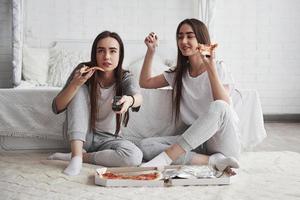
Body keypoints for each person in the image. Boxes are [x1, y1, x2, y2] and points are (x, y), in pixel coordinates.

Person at [138, 18, 241, 175]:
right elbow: (145, 82)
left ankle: (166, 158)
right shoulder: (178, 73)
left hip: (222, 139)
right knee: (146, 146)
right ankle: (214, 161)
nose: (183, 41)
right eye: (180, 37)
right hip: (196, 142)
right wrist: (151, 51)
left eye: (189, 36)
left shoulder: (219, 67)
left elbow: (223, 105)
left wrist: (210, 67)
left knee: (218, 105)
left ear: (200, 38)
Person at [48, 31, 143, 176]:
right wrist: (76, 82)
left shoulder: (125, 77)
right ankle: (76, 156)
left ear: (120, 55)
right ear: (94, 54)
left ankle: (80, 157)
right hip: (81, 136)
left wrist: (129, 100)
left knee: (134, 156)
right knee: (78, 89)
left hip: (110, 139)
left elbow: (138, 98)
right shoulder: (83, 70)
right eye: (101, 51)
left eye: (112, 51)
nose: (106, 56)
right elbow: (57, 107)